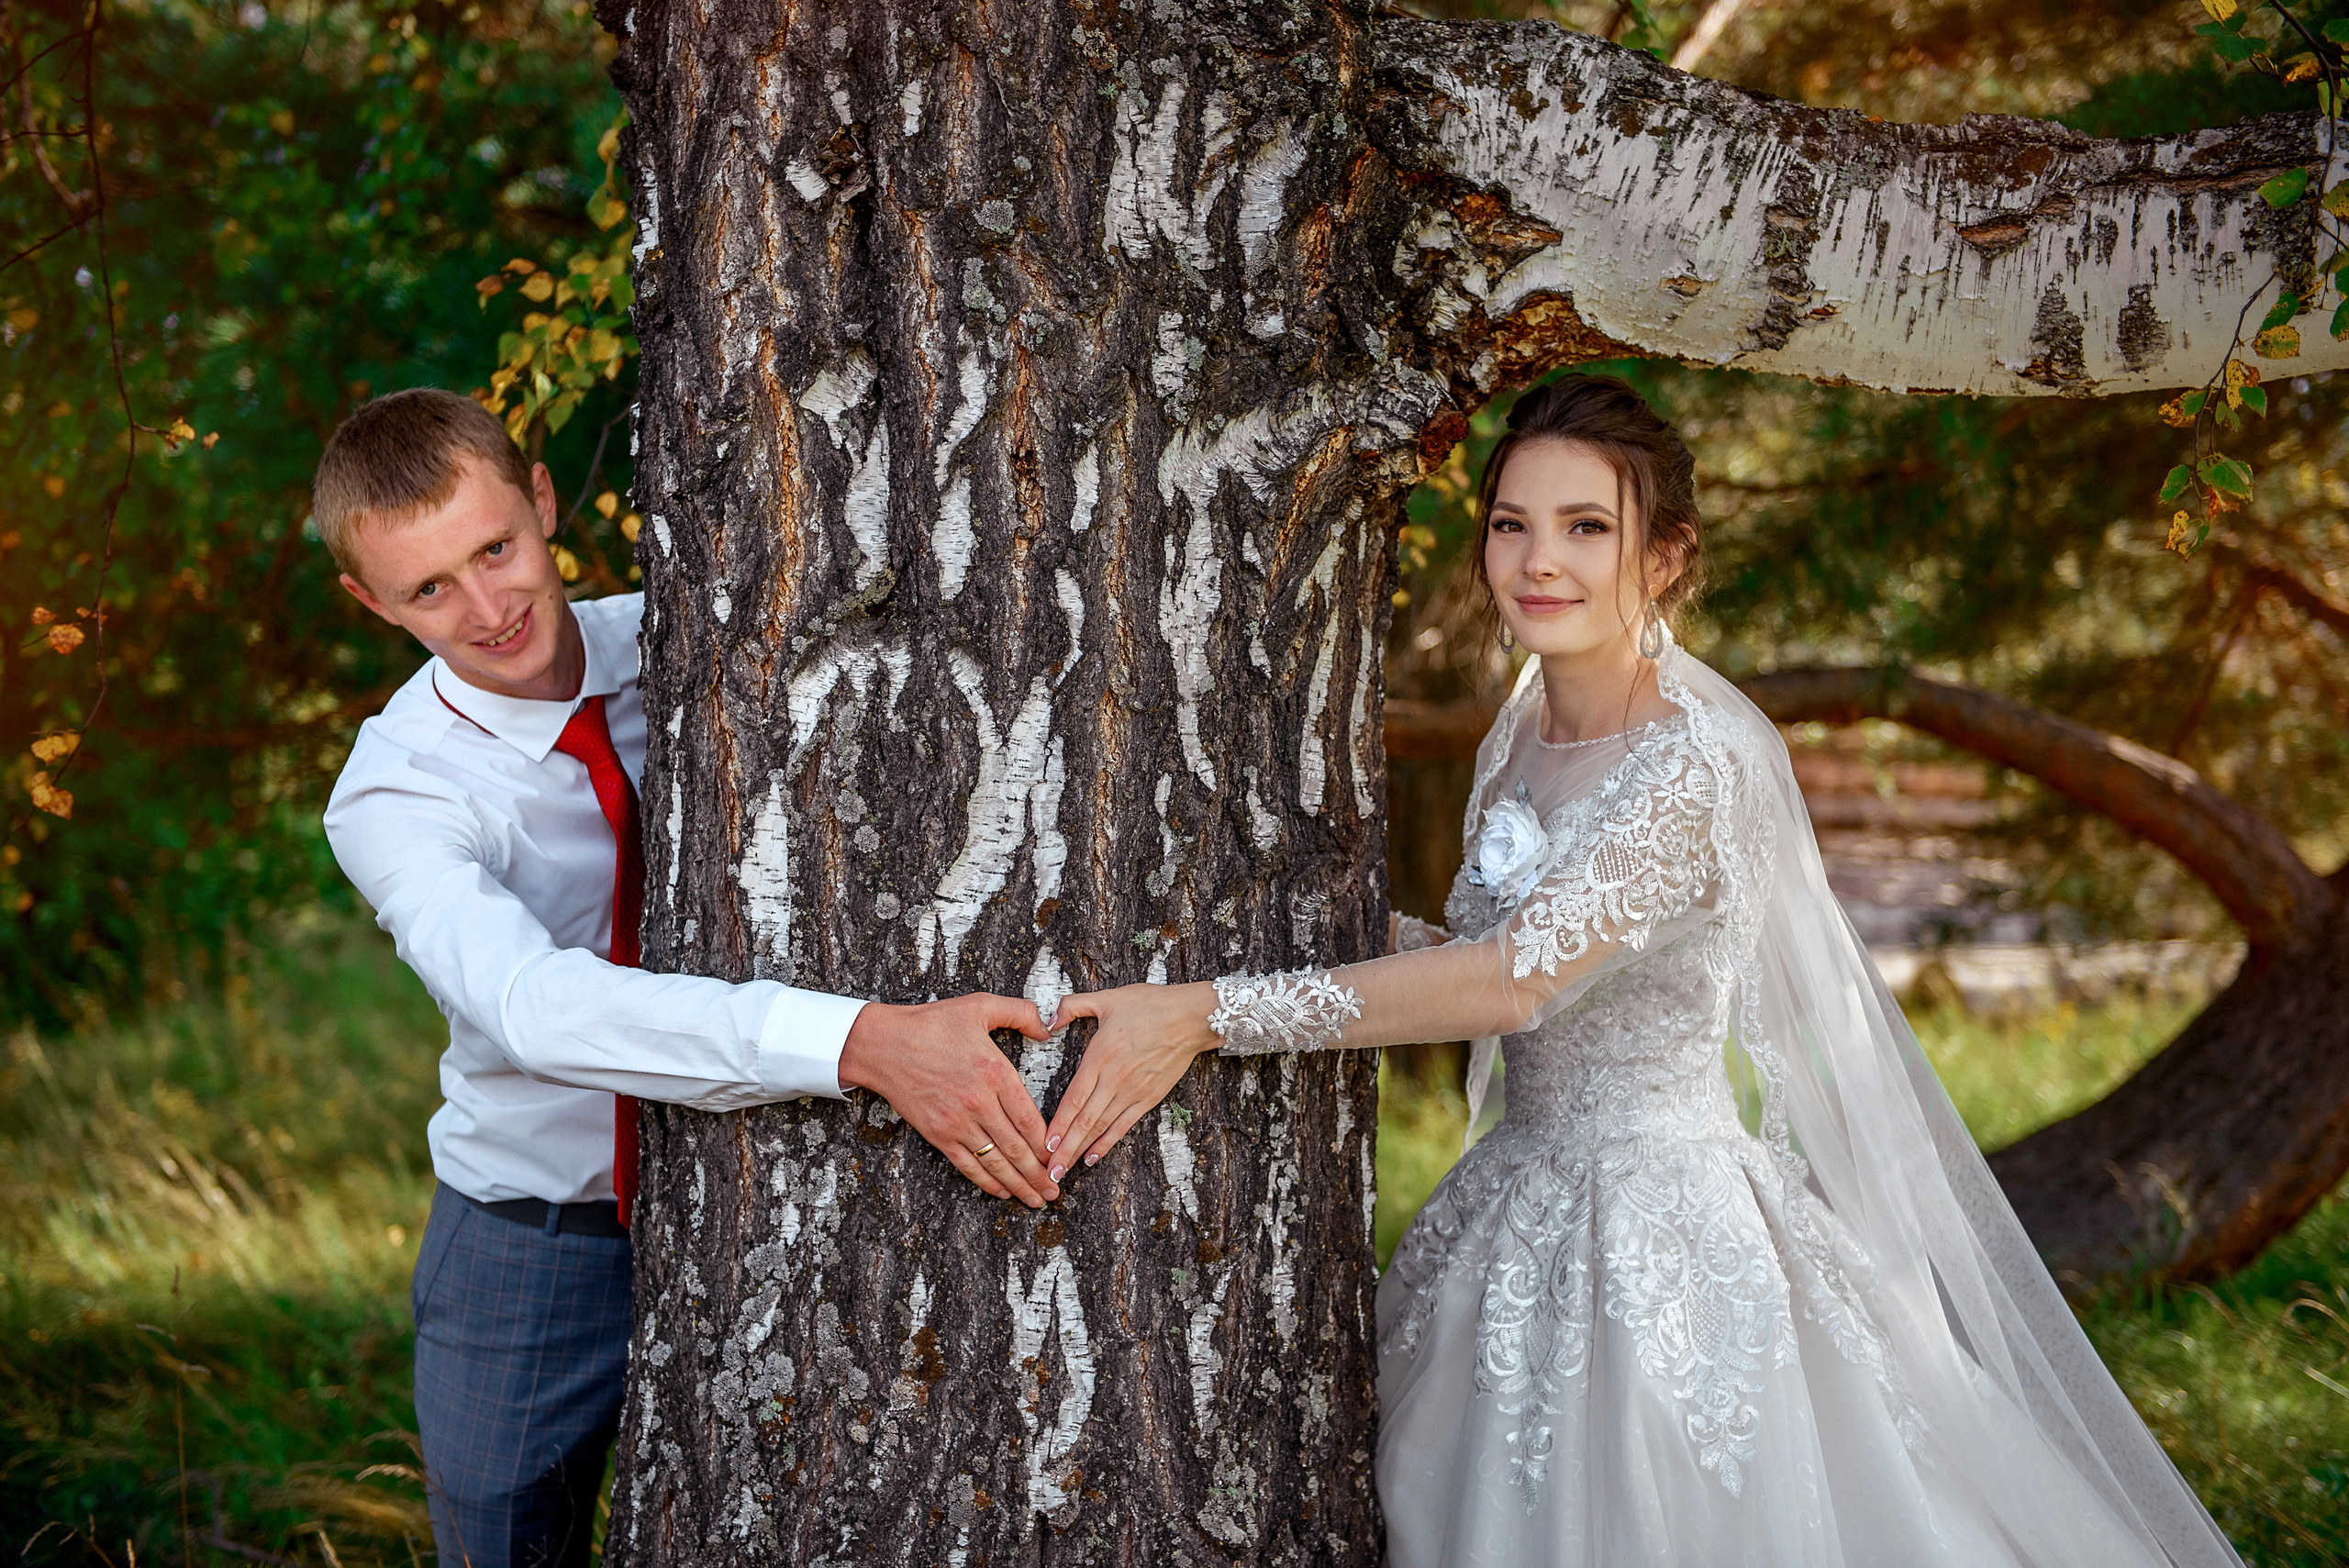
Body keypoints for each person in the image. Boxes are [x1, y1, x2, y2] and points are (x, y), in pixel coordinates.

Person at [1042, 377, 2244, 1566]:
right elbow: (1485, 951)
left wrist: (1209, 1015)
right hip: (1516, 1196)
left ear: (1665, 558)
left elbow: (1513, 983)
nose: (1537, 561)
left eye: (1586, 527)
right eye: (1510, 523)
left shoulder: (1692, 765)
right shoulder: (1521, 731)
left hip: (1656, 1230)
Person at [317, 389, 1061, 1568]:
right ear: (370, 602)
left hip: (775, 1188)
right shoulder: (395, 789)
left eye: (495, 549)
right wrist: (862, 1040)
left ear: (543, 499)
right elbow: (531, 1006)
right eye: (428, 590)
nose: (487, 608)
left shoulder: (700, 639)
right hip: (535, 1234)